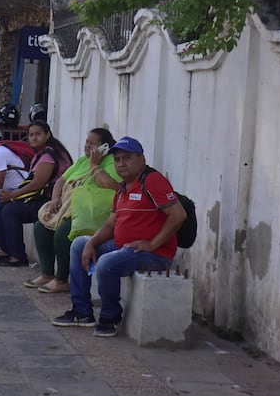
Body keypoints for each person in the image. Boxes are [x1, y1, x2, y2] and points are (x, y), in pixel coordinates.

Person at [52, 136, 187, 337]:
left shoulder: (152, 180)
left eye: (127, 158)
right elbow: (110, 224)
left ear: (141, 159)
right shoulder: (123, 186)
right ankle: (82, 312)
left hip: (153, 254)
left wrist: (152, 244)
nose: (121, 163)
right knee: (80, 244)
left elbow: (178, 215)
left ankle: (110, 317)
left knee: (107, 262)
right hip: (122, 246)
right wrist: (93, 243)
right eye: (117, 160)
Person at [27, 128, 120, 293]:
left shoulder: (110, 162)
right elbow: (61, 181)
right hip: (69, 207)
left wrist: (94, 164)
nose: (87, 146)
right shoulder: (82, 161)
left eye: (93, 143)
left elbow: (110, 185)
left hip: (92, 213)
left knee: (64, 234)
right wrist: (55, 199)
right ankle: (47, 274)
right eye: (86, 142)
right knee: (40, 227)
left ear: (104, 147)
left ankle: (62, 279)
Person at [0, 120, 73, 267]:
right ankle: (5, 251)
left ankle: (18, 256)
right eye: (31, 135)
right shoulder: (41, 154)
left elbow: (37, 184)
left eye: (38, 134)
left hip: (51, 200)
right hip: (40, 197)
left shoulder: (48, 156)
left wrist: (14, 194)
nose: (34, 138)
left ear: (47, 135)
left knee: (10, 210)